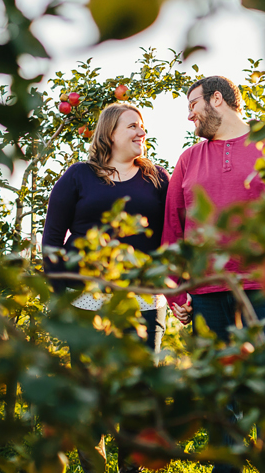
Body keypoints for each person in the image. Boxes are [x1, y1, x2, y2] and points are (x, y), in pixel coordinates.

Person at [162, 76, 265, 473]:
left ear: (217, 100)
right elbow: (173, 230)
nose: (189, 115)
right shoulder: (189, 159)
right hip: (206, 294)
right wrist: (175, 293)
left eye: (193, 105)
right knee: (220, 403)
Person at [41, 103, 170, 473]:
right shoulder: (79, 176)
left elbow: (171, 235)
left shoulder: (157, 178)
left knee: (139, 391)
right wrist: (60, 293)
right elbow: (52, 236)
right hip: (86, 300)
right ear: (111, 132)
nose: (140, 132)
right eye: (132, 126)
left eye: (142, 126)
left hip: (144, 301)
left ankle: (131, 468)